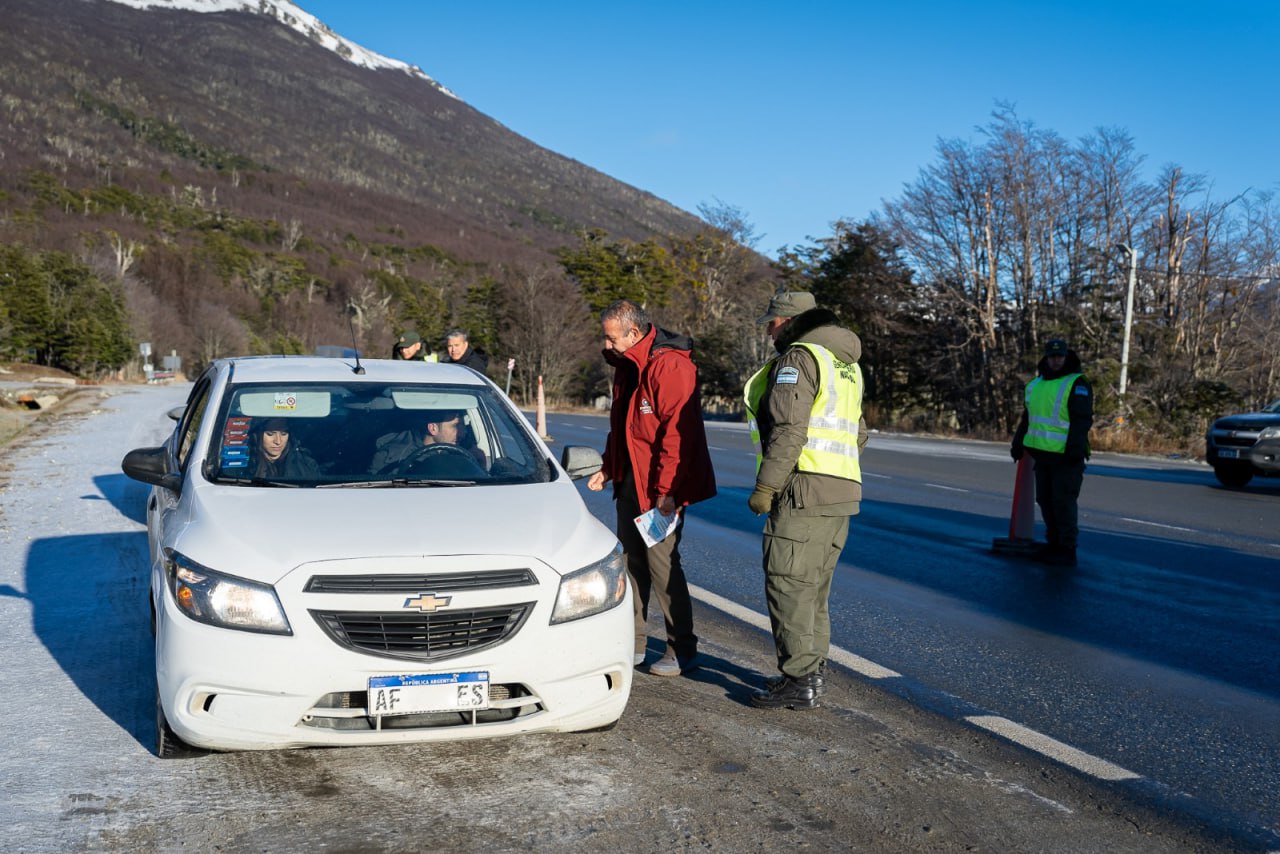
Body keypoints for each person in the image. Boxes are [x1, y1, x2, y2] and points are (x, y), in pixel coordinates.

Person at [744, 290, 867, 710]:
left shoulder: (800, 359)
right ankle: (810, 671)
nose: (768, 329)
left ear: (790, 320)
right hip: (842, 489)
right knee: (813, 589)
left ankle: (799, 678)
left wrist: (766, 488)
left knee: (788, 582)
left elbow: (788, 431)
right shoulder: (845, 364)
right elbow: (859, 432)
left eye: (772, 321)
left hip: (804, 490)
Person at [586, 299, 716, 677]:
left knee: (663, 566)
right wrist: (610, 467)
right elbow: (624, 427)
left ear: (634, 332)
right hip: (631, 482)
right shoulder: (626, 367)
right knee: (630, 563)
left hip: (660, 488)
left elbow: (678, 436)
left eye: (611, 338)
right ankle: (634, 642)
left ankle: (683, 648)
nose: (605, 345)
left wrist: (666, 490)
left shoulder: (670, 366)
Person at [1010, 338, 1093, 567]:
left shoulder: (1077, 383)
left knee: (1063, 502)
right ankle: (1053, 544)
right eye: (1052, 356)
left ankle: (1067, 549)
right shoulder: (1035, 385)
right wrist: (1018, 444)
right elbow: (1028, 419)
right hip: (1043, 455)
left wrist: (1074, 451)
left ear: (1066, 356)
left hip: (1067, 457)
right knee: (1045, 500)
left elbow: (1081, 420)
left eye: (1060, 356)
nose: (1056, 360)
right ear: (1046, 357)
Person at [369, 409, 462, 474]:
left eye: (463, 426)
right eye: (455, 426)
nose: (462, 432)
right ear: (433, 428)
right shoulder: (394, 457)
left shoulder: (462, 452)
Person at [250, 418, 320, 480]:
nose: (278, 441)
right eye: (270, 434)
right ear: (257, 436)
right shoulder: (246, 464)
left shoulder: (306, 465)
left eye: (284, 434)